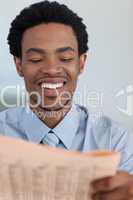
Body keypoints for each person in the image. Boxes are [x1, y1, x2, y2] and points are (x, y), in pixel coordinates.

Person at [0, 1, 133, 199]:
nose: (52, 69)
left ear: (81, 63)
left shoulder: (116, 141)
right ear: (19, 64)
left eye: (65, 58)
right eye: (36, 59)